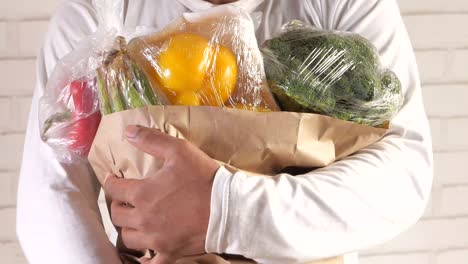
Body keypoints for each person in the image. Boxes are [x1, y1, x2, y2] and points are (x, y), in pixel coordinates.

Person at [17, 0, 433, 263]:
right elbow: (53, 195)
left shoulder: (346, 4)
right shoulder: (96, 14)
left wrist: (225, 210)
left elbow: (403, 172)